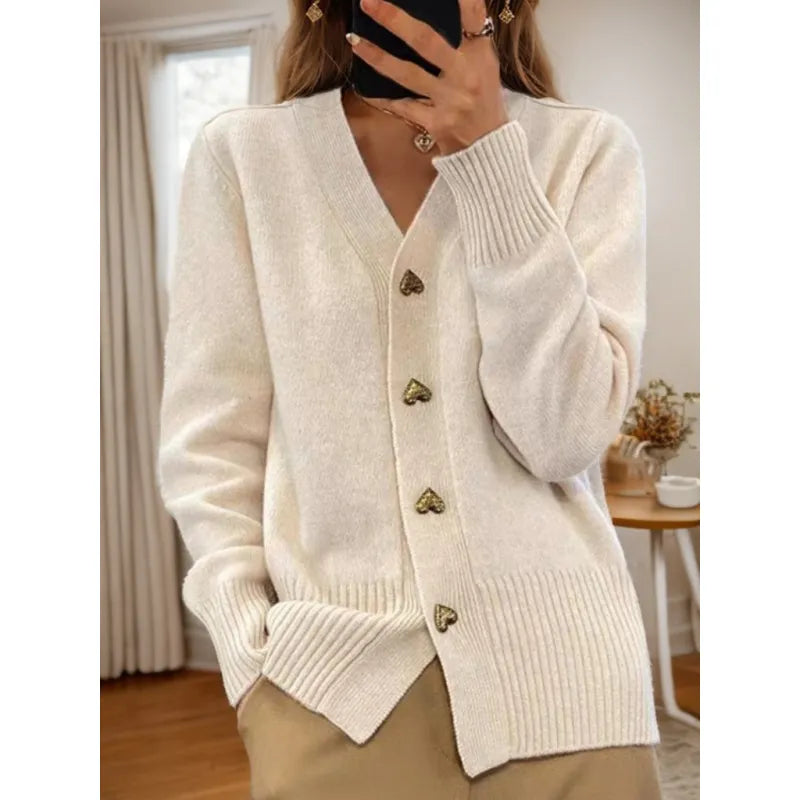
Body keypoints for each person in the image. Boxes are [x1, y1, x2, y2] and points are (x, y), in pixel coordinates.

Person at [157, 0, 664, 797]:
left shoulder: (586, 151)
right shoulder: (246, 159)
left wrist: (492, 159)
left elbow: (564, 437)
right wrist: (248, 653)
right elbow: (210, 443)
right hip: (330, 696)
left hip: (570, 696)